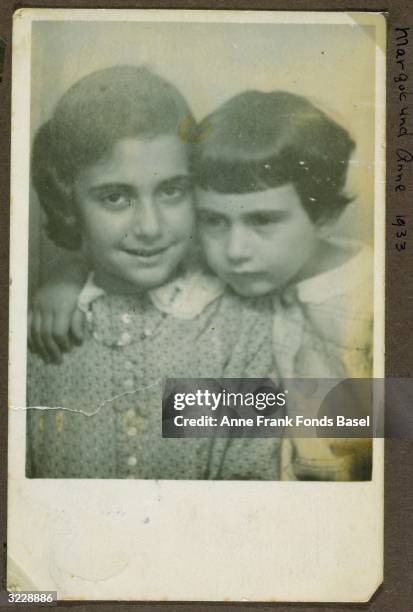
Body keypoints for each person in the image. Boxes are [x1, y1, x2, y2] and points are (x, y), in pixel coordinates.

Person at [26, 66, 279, 480]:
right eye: (115, 197)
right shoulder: (39, 334)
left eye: (171, 190)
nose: (150, 227)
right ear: (69, 202)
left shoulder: (241, 326)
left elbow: (250, 485)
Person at [192, 90, 373, 480]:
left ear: (323, 217)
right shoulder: (237, 278)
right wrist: (65, 280)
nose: (234, 251)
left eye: (263, 221)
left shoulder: (375, 298)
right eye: (213, 220)